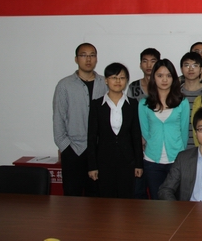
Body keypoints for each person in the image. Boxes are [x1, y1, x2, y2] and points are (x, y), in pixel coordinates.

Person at [53, 42, 107, 196]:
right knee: (72, 199)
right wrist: (66, 148)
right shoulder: (64, 85)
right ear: (76, 59)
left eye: (92, 55)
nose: (88, 59)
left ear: (96, 59)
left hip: (99, 151)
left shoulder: (105, 83)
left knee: (97, 199)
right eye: (83, 55)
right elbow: (58, 118)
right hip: (74, 150)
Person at [87, 63, 143, 198]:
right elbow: (92, 137)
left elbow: (136, 136)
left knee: (126, 199)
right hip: (104, 162)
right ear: (106, 80)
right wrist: (92, 166)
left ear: (126, 81)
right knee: (106, 200)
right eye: (114, 77)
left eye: (122, 78)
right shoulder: (97, 105)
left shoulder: (133, 104)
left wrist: (138, 164)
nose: (118, 81)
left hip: (127, 162)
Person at [138, 59, 190, 199]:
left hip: (176, 160)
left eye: (168, 75)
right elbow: (145, 131)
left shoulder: (182, 102)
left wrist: (180, 154)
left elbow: (184, 131)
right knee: (157, 200)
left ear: (173, 78)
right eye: (160, 75)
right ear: (154, 78)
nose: (164, 79)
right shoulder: (144, 103)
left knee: (177, 201)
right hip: (152, 160)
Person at [180, 51, 202, 149]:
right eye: (187, 65)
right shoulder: (175, 94)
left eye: (195, 65)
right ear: (181, 69)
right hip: (180, 147)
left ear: (201, 69)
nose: (190, 69)